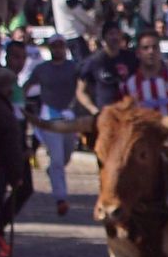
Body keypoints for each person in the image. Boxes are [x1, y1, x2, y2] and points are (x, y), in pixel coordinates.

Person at [26, 34, 80, 216]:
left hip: (69, 117)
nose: (58, 49)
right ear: (50, 48)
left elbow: (83, 87)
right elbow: (27, 86)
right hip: (49, 118)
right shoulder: (42, 69)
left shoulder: (73, 67)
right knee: (56, 159)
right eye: (54, 46)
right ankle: (61, 197)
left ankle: (53, 172)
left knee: (66, 155)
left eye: (60, 46)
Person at [75, 21, 137, 116]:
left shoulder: (131, 58)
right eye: (111, 34)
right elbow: (80, 91)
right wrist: (94, 110)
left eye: (117, 33)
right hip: (105, 114)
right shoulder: (93, 61)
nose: (115, 37)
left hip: (128, 112)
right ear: (104, 37)